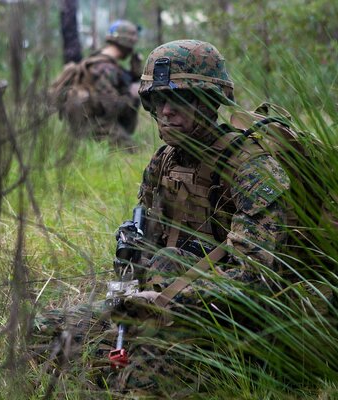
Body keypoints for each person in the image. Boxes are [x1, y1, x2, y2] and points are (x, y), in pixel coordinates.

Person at [35, 39, 291, 394]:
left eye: (179, 99)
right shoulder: (165, 160)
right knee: (46, 328)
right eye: (158, 100)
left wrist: (170, 300)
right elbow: (150, 241)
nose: (166, 111)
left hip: (224, 317)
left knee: (138, 379)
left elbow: (256, 278)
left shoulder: (252, 168)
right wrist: (132, 261)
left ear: (210, 101)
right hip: (157, 302)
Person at [53, 20, 143, 152]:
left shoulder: (100, 61)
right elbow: (111, 106)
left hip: (95, 124)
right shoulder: (104, 68)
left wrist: (135, 74)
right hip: (98, 128)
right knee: (134, 152)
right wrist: (132, 95)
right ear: (127, 43)